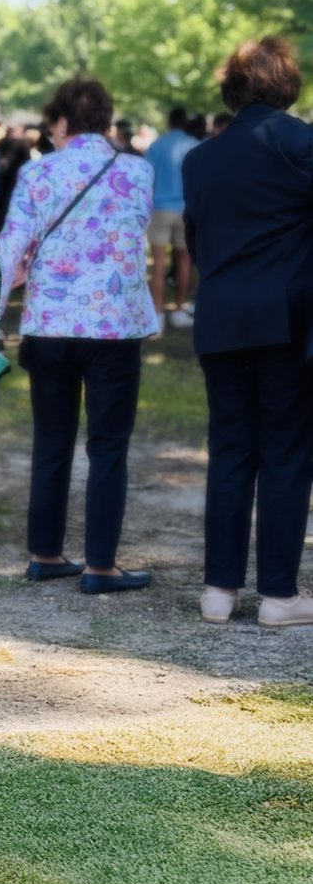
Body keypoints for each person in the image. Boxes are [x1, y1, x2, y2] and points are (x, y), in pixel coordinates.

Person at [0, 78, 157, 594]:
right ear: (107, 122)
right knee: (108, 446)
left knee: (51, 442)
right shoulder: (138, 170)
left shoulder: (37, 173)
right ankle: (101, 565)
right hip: (114, 326)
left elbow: (10, 245)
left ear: (60, 122)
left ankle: (45, 553)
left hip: (48, 323)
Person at [183, 36, 313, 628]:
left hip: (220, 315)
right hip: (286, 317)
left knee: (232, 451)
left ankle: (220, 590)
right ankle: (280, 596)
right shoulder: (301, 143)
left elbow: (197, 241)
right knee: (286, 452)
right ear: (287, 83)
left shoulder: (200, 159)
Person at [144, 106, 198, 333]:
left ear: (168, 122)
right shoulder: (194, 145)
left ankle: (157, 314)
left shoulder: (156, 146)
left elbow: (148, 177)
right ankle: (178, 309)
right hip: (185, 208)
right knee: (184, 262)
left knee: (158, 265)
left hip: (160, 207)